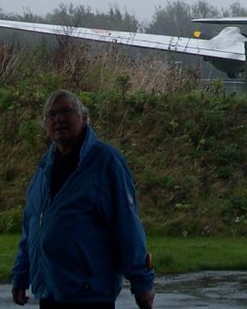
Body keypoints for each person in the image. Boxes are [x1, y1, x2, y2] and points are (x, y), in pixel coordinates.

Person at [11, 90, 155, 309]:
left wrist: (141, 282)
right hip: (50, 293)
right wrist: (21, 275)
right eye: (51, 114)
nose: (58, 119)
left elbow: (126, 224)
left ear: (84, 117)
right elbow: (32, 226)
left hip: (90, 294)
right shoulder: (44, 168)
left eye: (66, 111)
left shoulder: (105, 162)